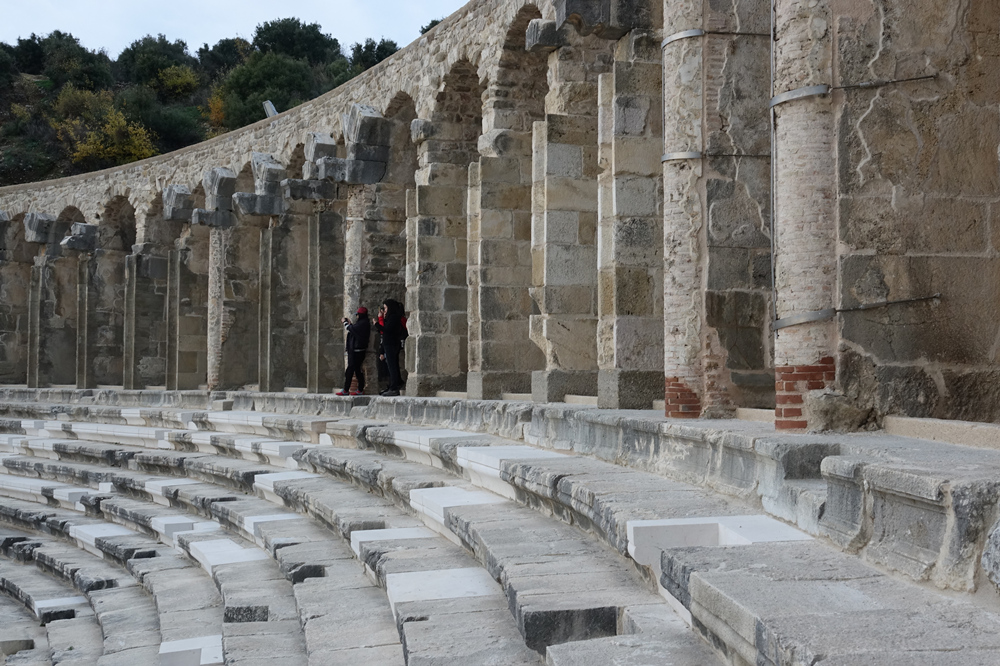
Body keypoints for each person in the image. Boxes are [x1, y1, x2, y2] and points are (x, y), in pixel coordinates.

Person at [375, 299, 407, 396]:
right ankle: (394, 384)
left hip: (392, 344)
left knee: (392, 366)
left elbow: (387, 330)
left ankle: (394, 388)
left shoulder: (394, 317)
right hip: (388, 344)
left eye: (385, 308)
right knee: (391, 366)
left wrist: (376, 323)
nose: (384, 310)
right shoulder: (390, 317)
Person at [337, 307, 371, 396]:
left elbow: (351, 329)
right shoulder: (362, 323)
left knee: (350, 370)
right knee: (357, 369)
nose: (357, 316)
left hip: (357, 351)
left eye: (357, 315)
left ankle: (346, 390)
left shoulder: (363, 323)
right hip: (356, 350)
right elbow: (354, 329)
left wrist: (345, 322)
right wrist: (350, 324)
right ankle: (359, 389)